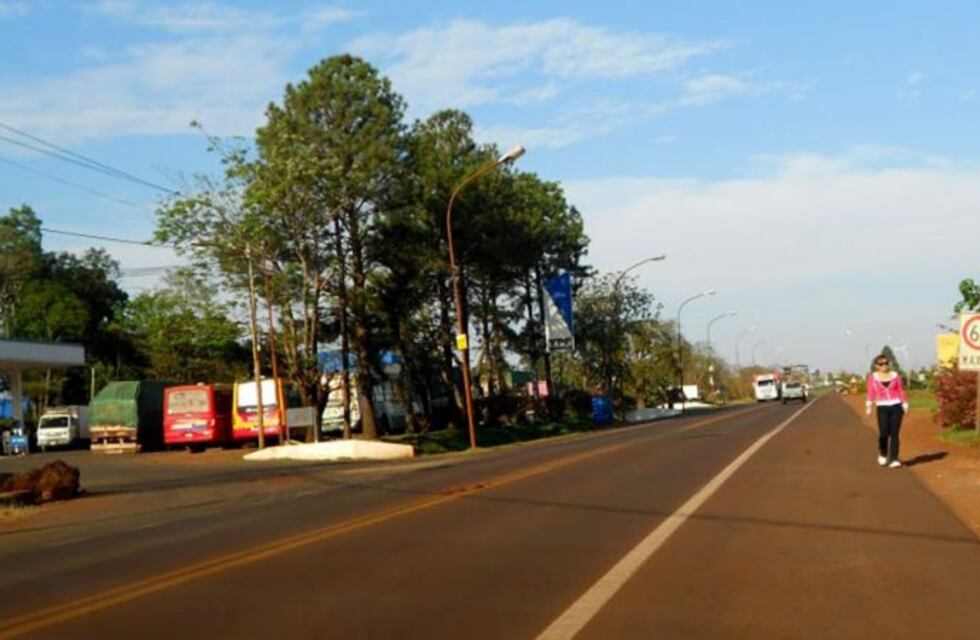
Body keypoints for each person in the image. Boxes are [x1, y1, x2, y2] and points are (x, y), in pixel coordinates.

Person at [865, 355, 909, 468]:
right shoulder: (873, 378)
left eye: (886, 363)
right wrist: (869, 405)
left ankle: (894, 458)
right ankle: (883, 453)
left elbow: (901, 390)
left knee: (895, 434)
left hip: (896, 406)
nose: (884, 365)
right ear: (876, 366)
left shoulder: (895, 376)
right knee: (884, 433)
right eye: (881, 364)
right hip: (882, 407)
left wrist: (904, 403)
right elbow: (870, 392)